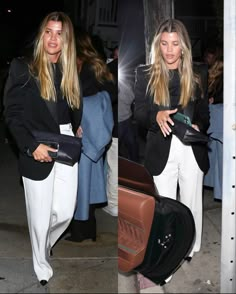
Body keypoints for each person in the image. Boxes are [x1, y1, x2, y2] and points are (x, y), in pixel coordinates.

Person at [4, 12, 82, 285]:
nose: (53, 38)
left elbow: (72, 104)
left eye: (59, 33)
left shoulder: (69, 69)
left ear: (66, 39)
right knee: (39, 215)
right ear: (41, 35)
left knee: (65, 210)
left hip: (66, 142)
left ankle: (44, 243)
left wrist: (76, 125)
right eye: (48, 31)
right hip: (38, 142)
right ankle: (42, 265)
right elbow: (12, 114)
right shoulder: (24, 67)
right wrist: (30, 145)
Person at [134, 18, 210, 267]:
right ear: (158, 45)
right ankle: (166, 251)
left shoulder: (198, 73)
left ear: (183, 47)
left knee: (191, 203)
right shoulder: (145, 73)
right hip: (161, 146)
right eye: (164, 43)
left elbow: (203, 113)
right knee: (164, 207)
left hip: (190, 147)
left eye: (175, 44)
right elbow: (139, 114)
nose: (169, 50)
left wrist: (199, 125)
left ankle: (189, 249)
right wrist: (155, 116)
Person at [65, 28, 114, 241]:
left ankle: (80, 230)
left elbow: (87, 97)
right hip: (91, 133)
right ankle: (87, 230)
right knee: (89, 183)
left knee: (82, 183)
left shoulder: (89, 68)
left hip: (87, 133)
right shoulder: (91, 66)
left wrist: (83, 117)